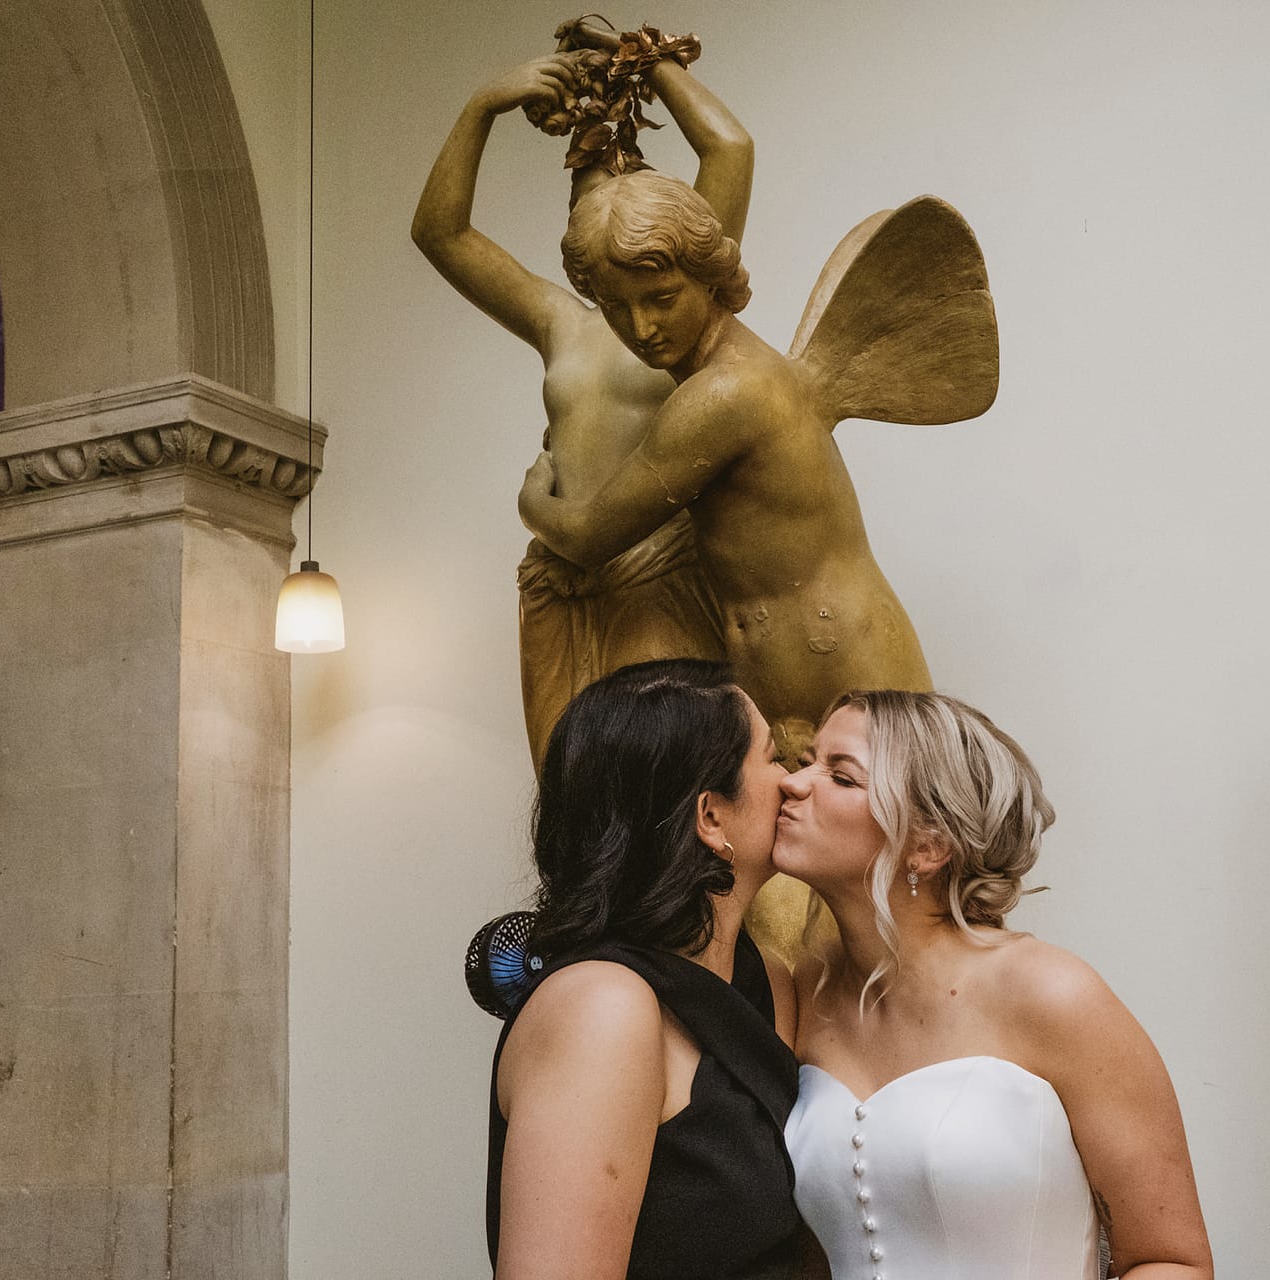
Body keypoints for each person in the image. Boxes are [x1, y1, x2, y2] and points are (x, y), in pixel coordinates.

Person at [775, 692, 1214, 1280]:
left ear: (928, 846)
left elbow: (1171, 1260)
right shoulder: (802, 996)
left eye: (841, 776)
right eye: (806, 761)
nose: (794, 784)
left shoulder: (1053, 993)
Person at [518, 173, 948, 767]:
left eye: (661, 299)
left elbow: (588, 537)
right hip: (790, 686)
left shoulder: (725, 394)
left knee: (899, 851)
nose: (641, 328)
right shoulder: (727, 383)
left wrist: (533, 494)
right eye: (618, 307)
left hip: (852, 673)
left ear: (711, 277)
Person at [411, 26, 753, 770]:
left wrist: (646, 59)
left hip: (658, 571)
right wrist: (484, 104)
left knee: (666, 793)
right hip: (563, 586)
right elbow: (441, 233)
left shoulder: (678, 301)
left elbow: (730, 149)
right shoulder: (557, 319)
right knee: (574, 803)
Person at [484, 659, 802, 1280]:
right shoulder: (602, 1007)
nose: (793, 781)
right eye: (773, 758)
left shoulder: (766, 978)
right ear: (711, 818)